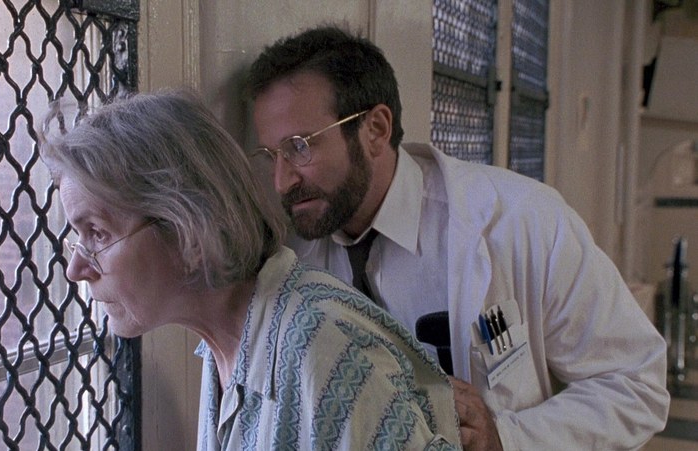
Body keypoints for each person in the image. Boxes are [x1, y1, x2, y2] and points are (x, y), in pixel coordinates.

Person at [245, 25, 670, 450]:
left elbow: (636, 385)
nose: (282, 181)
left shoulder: (521, 220)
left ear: (375, 129)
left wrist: (506, 438)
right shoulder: (292, 262)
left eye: (300, 147)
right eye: (271, 155)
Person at [37, 90, 461, 450]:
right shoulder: (225, 347)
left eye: (96, 233)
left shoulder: (322, 346)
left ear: (186, 229)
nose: (76, 268)